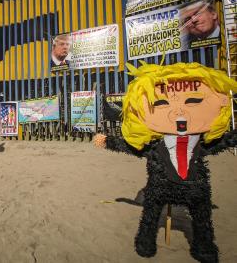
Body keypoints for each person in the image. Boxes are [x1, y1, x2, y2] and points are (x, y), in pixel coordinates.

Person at [101, 62, 237, 262]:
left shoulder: (200, 144)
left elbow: (224, 142)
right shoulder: (156, 147)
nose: (179, 113)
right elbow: (132, 148)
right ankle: (146, 242)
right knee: (151, 213)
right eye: (162, 104)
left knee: (202, 218)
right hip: (160, 188)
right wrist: (107, 141)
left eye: (193, 101)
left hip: (196, 189)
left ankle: (204, 247)